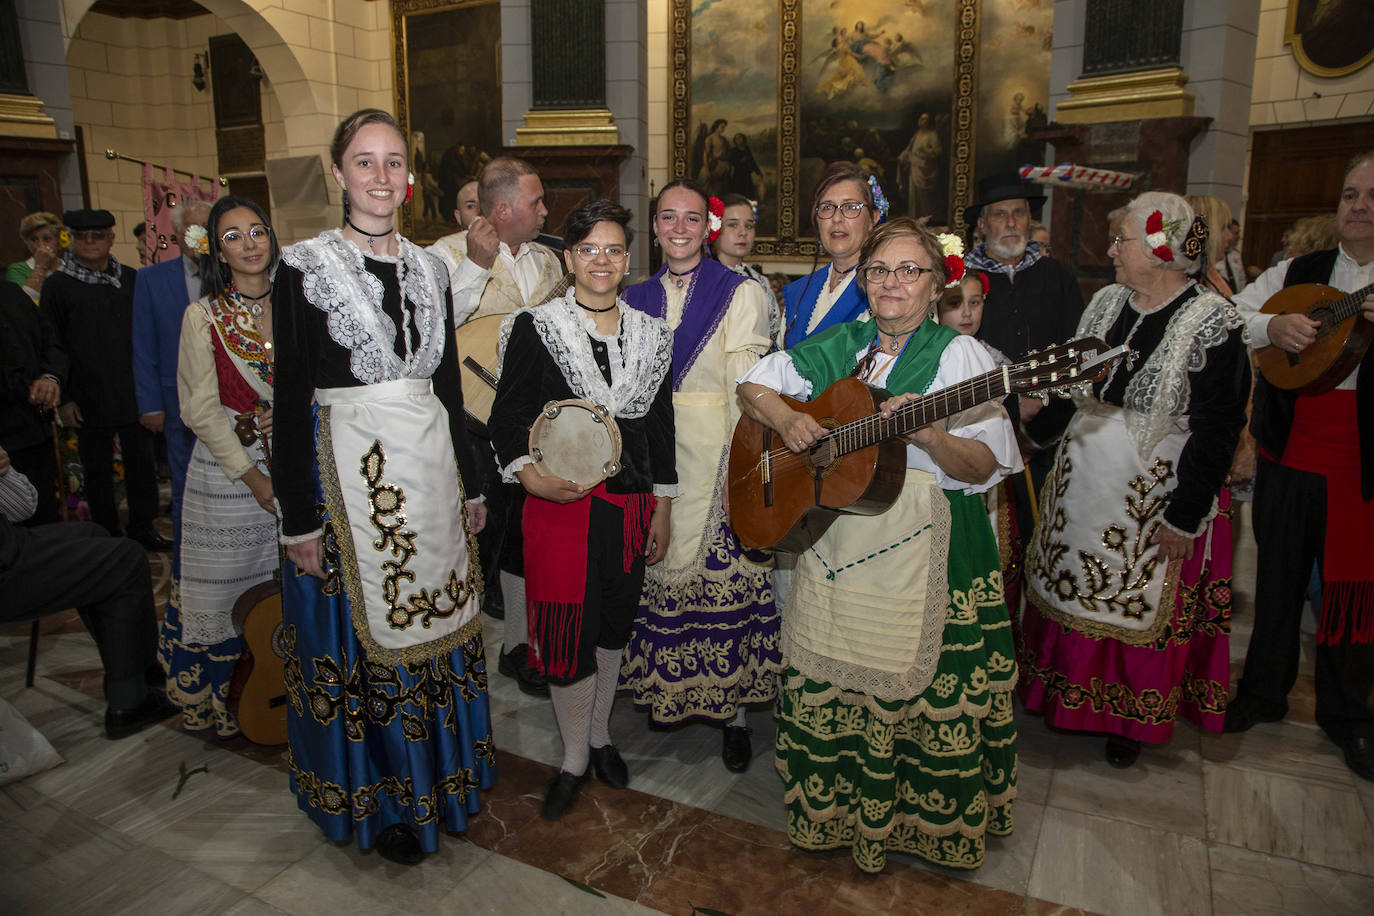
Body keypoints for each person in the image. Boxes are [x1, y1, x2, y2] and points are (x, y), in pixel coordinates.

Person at [736, 217, 1020, 872]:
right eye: (879, 271)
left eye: (908, 271)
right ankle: (835, 811)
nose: (892, 283)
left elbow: (984, 466)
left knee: (918, 685)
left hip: (926, 543)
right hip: (839, 539)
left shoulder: (961, 358)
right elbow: (752, 386)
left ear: (935, 287)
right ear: (864, 282)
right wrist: (789, 418)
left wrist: (930, 437)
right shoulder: (839, 344)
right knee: (828, 677)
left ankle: (923, 824)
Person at [273, 109, 495, 865]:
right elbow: (287, 401)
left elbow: (449, 391)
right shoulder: (303, 268)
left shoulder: (432, 268)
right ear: (337, 174)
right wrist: (298, 521)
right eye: (363, 162)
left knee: (441, 624)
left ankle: (448, 781)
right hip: (349, 480)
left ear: (410, 176)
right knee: (372, 642)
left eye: (393, 162)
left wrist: (471, 485)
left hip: (432, 468)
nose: (379, 177)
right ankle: (390, 803)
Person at [1019, 192, 1250, 768]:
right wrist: (1029, 426)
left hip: (1154, 494)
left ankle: (1126, 717)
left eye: (1121, 239)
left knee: (1133, 600)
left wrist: (1184, 515)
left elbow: (1217, 430)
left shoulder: (1214, 322)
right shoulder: (1103, 303)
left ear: (1162, 248)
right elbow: (1071, 389)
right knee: (1069, 585)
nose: (1110, 249)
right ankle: (1058, 694)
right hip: (1081, 485)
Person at [489, 199, 676, 819]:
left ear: (628, 259)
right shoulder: (534, 327)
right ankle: (572, 756)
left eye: (614, 249)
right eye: (590, 249)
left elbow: (659, 431)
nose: (603, 261)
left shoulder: (651, 335)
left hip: (627, 507)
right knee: (570, 633)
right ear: (569, 259)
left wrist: (663, 507)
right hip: (561, 508)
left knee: (614, 627)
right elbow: (506, 421)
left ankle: (599, 736)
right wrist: (531, 478)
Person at [1224, 151, 1374, 782]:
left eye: (1371, 197)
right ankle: (1261, 695)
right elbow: (1229, 314)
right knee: (1279, 579)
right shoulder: (1300, 271)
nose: (1358, 206)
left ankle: (1350, 718)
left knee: (1349, 594)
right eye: (1349, 194)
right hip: (1289, 450)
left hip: (1361, 462)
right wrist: (1271, 325)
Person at [621, 180, 780, 772]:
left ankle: (733, 717)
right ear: (655, 225)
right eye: (668, 217)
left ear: (708, 227)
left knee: (726, 587)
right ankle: (663, 692)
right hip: (651, 453)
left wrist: (749, 466)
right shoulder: (633, 295)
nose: (680, 227)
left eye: (692, 217)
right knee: (656, 576)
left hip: (718, 454)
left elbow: (748, 385)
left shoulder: (738, 293)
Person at [428, 156, 563, 696]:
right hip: (467, 420)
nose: (545, 210)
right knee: (471, 540)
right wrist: (474, 265)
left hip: (527, 423)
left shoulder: (551, 262)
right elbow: (427, 334)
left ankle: (516, 647)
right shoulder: (441, 255)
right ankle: (449, 650)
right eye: (536, 201)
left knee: (522, 540)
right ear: (503, 208)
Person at [158, 196, 279, 737]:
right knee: (228, 585)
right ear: (216, 250)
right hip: (229, 473)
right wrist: (253, 477)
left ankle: (282, 682)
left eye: (257, 231)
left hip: (293, 466)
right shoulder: (203, 315)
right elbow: (199, 410)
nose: (249, 243)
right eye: (233, 236)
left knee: (289, 579)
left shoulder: (300, 306)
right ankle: (216, 694)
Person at [0, 446, 176, 738]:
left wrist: (5, 474)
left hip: (10, 542)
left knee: (93, 534)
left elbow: (23, 509)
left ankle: (136, 668)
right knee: (126, 558)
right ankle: (128, 702)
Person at [963, 172, 1084, 569]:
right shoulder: (962, 283)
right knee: (995, 553)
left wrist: (1041, 429)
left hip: (1051, 438)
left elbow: (1076, 354)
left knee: (1048, 545)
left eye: (1019, 213)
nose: (1012, 223)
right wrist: (1014, 416)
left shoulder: (1058, 277)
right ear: (982, 224)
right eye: (1000, 215)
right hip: (987, 434)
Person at [40, 209, 167, 550]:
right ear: (73, 240)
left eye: (98, 236)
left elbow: (147, 336)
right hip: (86, 396)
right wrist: (65, 398)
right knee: (97, 471)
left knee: (142, 467)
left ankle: (143, 528)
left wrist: (152, 391)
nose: (91, 242)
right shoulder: (58, 285)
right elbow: (51, 341)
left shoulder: (130, 279)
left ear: (111, 238)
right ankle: (107, 535)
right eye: (83, 237)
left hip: (132, 391)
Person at [132, 197, 212, 561]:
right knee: (185, 483)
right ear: (178, 235)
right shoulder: (151, 280)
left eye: (206, 231)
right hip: (175, 400)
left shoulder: (234, 275)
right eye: (191, 231)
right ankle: (188, 563)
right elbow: (143, 345)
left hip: (229, 400)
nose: (199, 240)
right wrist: (149, 405)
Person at [781, 162, 882, 349]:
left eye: (851, 207)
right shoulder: (798, 291)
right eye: (827, 207)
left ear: (873, 217)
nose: (837, 218)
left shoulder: (886, 288)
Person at [1, 279, 66, 525]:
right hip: (3, 440)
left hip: (33, 431)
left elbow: (51, 342)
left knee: (44, 520)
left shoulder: (10, 292)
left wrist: (50, 377)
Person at [713, 193, 781, 347]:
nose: (743, 232)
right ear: (715, 228)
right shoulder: (702, 279)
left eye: (749, 225)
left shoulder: (760, 281)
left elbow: (773, 333)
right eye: (733, 224)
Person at [6, 212, 64, 303]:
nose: (40, 245)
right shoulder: (17, 270)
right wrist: (40, 267)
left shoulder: (69, 268)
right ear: (28, 244)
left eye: (47, 239)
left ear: (59, 242)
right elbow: (22, 304)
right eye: (34, 239)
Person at [1218, 217, 1247, 294]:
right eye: (1236, 233)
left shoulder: (1236, 254)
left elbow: (1242, 279)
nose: (1238, 237)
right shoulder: (1216, 255)